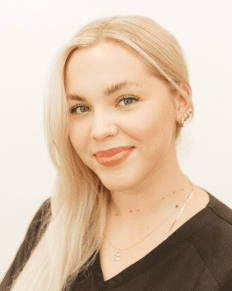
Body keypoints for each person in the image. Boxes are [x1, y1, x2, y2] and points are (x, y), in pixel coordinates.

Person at [0, 15, 232, 291]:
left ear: (180, 102)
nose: (99, 130)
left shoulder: (223, 255)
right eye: (80, 108)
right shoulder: (54, 220)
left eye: (126, 100)